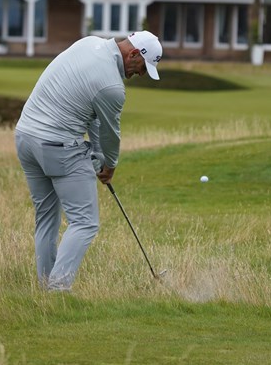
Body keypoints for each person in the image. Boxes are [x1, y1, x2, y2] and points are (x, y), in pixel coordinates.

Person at [14, 30, 163, 291]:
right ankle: (57, 290)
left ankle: (45, 288)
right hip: (58, 147)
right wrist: (110, 165)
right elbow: (109, 132)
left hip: (26, 137)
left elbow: (92, 115)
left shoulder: (88, 43)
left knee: (47, 217)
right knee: (85, 222)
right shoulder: (113, 87)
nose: (140, 74)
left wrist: (97, 157)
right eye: (142, 67)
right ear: (133, 54)